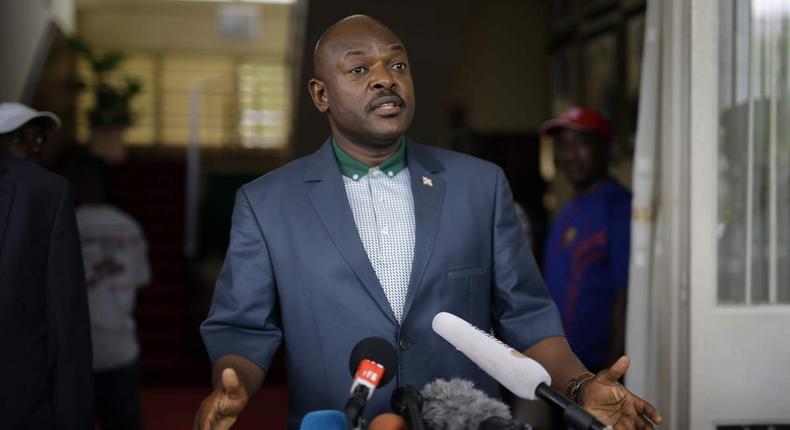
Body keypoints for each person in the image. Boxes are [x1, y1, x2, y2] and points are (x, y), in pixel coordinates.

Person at [195, 16, 661, 430]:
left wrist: (579, 386)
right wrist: (229, 385)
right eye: (360, 69)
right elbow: (243, 327)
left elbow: (527, 314)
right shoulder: (266, 202)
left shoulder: (480, 185)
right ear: (320, 94)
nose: (385, 80)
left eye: (397, 66)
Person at [0, 102, 94, 428]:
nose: (34, 149)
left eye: (40, 140)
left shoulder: (48, 194)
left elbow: (65, 325)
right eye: (20, 139)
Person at [540, 107, 631, 374]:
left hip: (595, 370)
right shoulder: (571, 207)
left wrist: (609, 377)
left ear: (605, 149)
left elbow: (625, 298)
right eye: (564, 145)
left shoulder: (618, 207)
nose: (570, 155)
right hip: (562, 365)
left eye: (581, 144)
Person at [65, 154, 151, 430]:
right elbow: (139, 280)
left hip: (76, 353)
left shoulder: (65, 225)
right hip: (121, 349)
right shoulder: (129, 226)